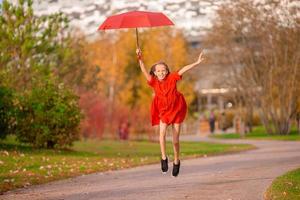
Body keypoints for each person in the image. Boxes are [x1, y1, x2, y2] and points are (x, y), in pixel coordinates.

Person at [136, 48, 204, 177]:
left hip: (176, 109)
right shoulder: (153, 82)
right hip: (163, 111)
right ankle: (163, 158)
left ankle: (177, 160)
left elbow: (184, 69)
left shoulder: (172, 77)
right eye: (158, 71)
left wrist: (196, 62)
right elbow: (143, 70)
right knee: (161, 135)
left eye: (163, 70)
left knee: (175, 140)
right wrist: (140, 57)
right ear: (155, 73)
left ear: (167, 71)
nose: (161, 73)